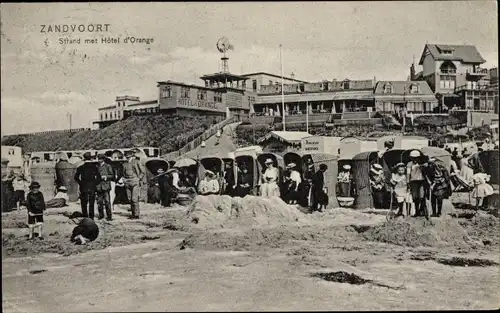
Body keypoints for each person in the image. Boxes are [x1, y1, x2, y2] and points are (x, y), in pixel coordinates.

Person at [74, 152, 99, 219]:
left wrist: (81, 183)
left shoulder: (80, 167)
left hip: (83, 186)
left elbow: (76, 177)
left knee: (84, 202)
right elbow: (98, 177)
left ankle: (85, 216)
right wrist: (95, 183)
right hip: (92, 187)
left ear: (84, 158)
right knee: (91, 203)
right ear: (90, 158)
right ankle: (91, 217)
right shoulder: (95, 167)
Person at [122, 150, 145, 219]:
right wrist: (124, 179)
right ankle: (133, 214)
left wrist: (138, 178)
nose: (128, 158)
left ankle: (136, 214)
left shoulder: (137, 162)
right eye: (127, 157)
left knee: (134, 198)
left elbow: (142, 172)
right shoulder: (124, 164)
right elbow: (123, 173)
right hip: (127, 181)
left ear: (132, 156)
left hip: (135, 181)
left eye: (129, 156)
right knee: (129, 199)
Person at [406, 150, 426, 217]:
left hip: (421, 181)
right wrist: (408, 182)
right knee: (415, 197)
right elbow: (408, 173)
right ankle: (417, 211)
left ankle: (422, 210)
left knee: (422, 195)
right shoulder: (409, 164)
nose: (415, 159)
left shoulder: (422, 163)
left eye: (416, 157)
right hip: (413, 181)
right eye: (413, 157)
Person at [96, 154, 114, 221]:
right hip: (99, 186)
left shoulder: (108, 166)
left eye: (100, 159)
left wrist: (105, 176)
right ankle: (101, 215)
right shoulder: (97, 166)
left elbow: (112, 175)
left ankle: (109, 216)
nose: (99, 160)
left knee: (107, 201)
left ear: (103, 159)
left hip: (106, 186)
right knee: (99, 202)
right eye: (98, 159)